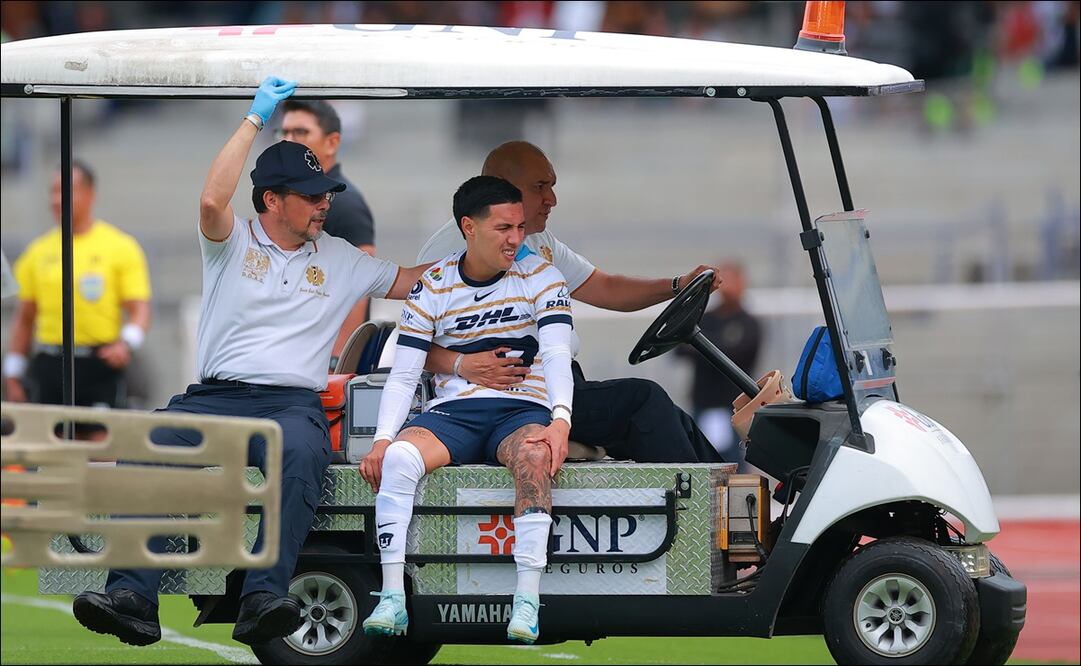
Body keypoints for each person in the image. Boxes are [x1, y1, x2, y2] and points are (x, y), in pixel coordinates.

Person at [70, 76, 430, 648]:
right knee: (149, 449)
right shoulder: (230, 241)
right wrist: (254, 117)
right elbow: (213, 200)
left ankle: (263, 598)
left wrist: (488, 251)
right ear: (271, 200)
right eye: (312, 196)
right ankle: (133, 598)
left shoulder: (339, 255)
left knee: (302, 454)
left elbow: (414, 283)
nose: (325, 204)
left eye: (326, 194)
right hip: (214, 397)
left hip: (290, 403)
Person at [360, 175, 575, 645]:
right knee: (397, 457)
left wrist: (560, 420)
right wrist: (380, 438)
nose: (516, 237)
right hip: (453, 414)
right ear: (468, 227)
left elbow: (558, 353)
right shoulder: (433, 284)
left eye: (519, 226)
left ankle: (527, 601)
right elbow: (403, 372)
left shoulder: (542, 275)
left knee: (536, 457)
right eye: (503, 228)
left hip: (521, 410)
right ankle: (392, 597)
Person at [416, 141, 724, 464]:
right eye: (540, 187)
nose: (552, 200)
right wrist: (461, 365)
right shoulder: (451, 251)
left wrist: (677, 285)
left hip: (552, 382)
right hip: (507, 397)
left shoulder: (536, 240)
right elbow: (415, 342)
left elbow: (603, 286)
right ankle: (699, 510)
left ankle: (729, 499)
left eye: (551, 186)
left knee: (673, 419)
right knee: (645, 401)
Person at [3, 160, 151, 412]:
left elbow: (139, 309)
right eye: (53, 191)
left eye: (66, 190)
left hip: (99, 362)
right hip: (51, 364)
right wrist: (13, 370)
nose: (57, 199)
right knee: (52, 444)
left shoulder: (120, 247)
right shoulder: (36, 253)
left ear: (90, 194)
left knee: (102, 443)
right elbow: (24, 319)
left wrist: (126, 343)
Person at [278, 99, 377, 368]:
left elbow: (358, 288)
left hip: (324, 366)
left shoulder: (344, 204)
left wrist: (336, 364)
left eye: (300, 132)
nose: (288, 141)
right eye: (284, 132)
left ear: (332, 142)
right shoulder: (298, 199)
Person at [675, 262, 762, 468]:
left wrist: (704, 347)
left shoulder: (749, 323)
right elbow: (680, 348)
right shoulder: (703, 318)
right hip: (702, 404)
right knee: (700, 461)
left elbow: (739, 352)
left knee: (734, 463)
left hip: (733, 408)